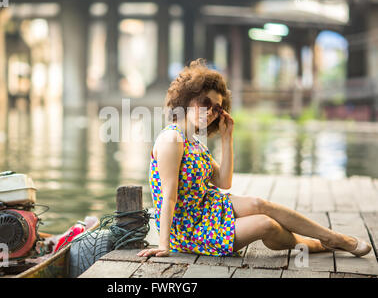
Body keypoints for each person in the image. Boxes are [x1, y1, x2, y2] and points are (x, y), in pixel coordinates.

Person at [137, 58, 372, 258]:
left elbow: (223, 182)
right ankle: (318, 244)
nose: (210, 112)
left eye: (217, 108)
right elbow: (168, 196)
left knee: (259, 204)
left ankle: (332, 237)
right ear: (187, 100)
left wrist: (228, 139)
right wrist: (164, 245)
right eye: (204, 103)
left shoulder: (194, 143)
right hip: (187, 230)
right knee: (265, 224)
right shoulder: (172, 140)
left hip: (206, 209)